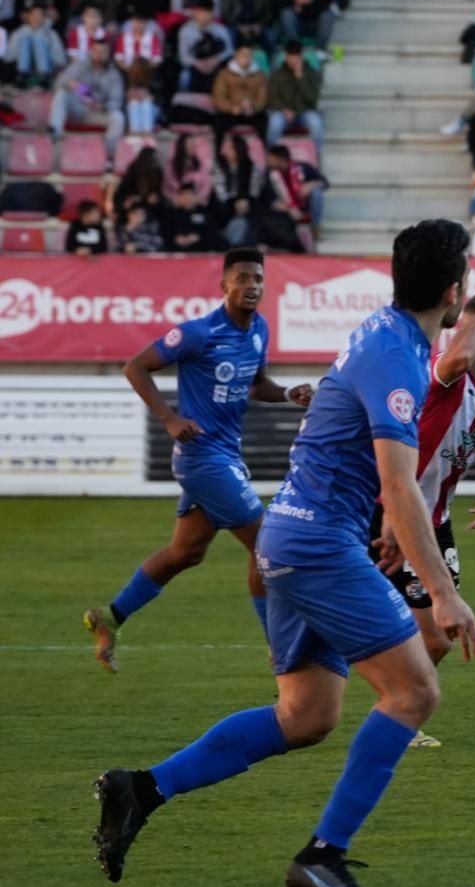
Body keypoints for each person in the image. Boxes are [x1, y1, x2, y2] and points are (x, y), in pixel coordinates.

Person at [92, 223, 475, 887]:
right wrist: (445, 592)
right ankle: (322, 856)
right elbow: (398, 483)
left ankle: (141, 788)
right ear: (452, 291)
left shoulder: (386, 332)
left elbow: (363, 460)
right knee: (416, 690)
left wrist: (384, 525)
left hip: (293, 533)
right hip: (316, 544)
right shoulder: (397, 357)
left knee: (306, 715)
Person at [82, 249, 314, 673]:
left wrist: (285, 395)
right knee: (267, 545)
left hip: (225, 454)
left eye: (258, 279)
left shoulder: (259, 329)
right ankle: (281, 648)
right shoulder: (198, 333)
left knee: (186, 552)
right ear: (224, 284)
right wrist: (168, 417)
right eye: (242, 278)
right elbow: (135, 367)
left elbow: (256, 384)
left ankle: (109, 618)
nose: (252, 286)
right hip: (202, 457)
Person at [370, 274, 475, 750]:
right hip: (385, 514)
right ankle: (391, 712)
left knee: (437, 638)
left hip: (433, 520)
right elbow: (458, 355)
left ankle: (397, 710)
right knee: (419, 628)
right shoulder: (442, 373)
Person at [50, 35, 125, 160]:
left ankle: (108, 157)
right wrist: (68, 84)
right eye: (96, 51)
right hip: (77, 108)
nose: (99, 54)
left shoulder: (114, 74)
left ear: (108, 54)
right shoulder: (79, 65)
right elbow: (58, 83)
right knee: (62, 94)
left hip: (97, 112)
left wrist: (103, 107)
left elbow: (116, 100)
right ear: (91, 51)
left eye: (103, 52)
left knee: (118, 118)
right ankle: (54, 134)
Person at [265, 41, 325, 154]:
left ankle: (316, 157)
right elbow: (271, 97)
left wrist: (300, 78)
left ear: (301, 57)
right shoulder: (277, 74)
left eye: (296, 58)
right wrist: (283, 109)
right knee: (274, 124)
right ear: (286, 57)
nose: (293, 61)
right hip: (283, 112)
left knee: (316, 123)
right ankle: (272, 157)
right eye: (290, 58)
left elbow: (313, 99)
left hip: (304, 111)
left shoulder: (311, 73)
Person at [212, 42, 269, 148]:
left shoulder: (260, 75)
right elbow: (219, 97)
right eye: (243, 55)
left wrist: (253, 107)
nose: (246, 58)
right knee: (219, 124)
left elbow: (262, 98)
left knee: (264, 124)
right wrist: (232, 108)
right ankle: (218, 156)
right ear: (236, 56)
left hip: (252, 112)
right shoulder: (224, 74)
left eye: (249, 55)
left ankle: (266, 155)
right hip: (231, 111)